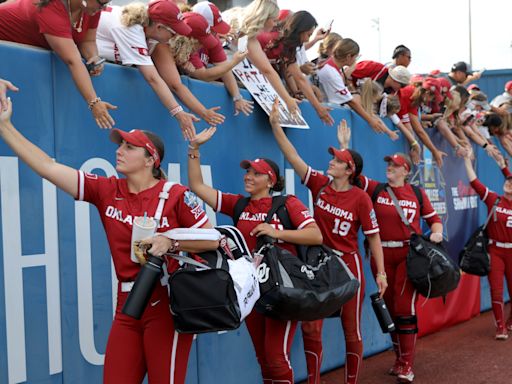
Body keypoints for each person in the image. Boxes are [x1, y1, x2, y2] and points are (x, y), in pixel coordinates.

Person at [0, 98, 219, 383]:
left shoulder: (175, 194)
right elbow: (47, 167)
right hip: (128, 305)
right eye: (120, 145)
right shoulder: (106, 189)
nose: (119, 150)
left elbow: (212, 239)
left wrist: (171, 242)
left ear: (151, 159)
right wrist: (5, 127)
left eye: (129, 147)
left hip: (166, 303)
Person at [187, 126, 323, 383]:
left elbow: (315, 236)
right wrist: (194, 149)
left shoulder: (287, 203)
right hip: (250, 288)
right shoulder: (238, 204)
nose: (248, 176)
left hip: (283, 290)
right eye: (247, 171)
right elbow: (196, 186)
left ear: (270, 180)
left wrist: (277, 232)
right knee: (263, 356)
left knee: (276, 355)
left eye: (255, 173)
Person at [269, 99, 387, 384]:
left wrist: (380, 272)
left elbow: (374, 238)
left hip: (347, 264)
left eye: (336, 160)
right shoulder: (319, 183)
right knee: (310, 327)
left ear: (349, 170)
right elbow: (294, 156)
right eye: (332, 158)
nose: (330, 162)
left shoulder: (360, 198)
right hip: (317, 263)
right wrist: (276, 126)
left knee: (351, 329)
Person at [338, 124, 443, 384]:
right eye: (389, 164)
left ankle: (407, 364)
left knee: (405, 307)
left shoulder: (416, 193)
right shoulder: (376, 189)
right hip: (381, 257)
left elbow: (434, 220)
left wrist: (437, 232)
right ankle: (399, 357)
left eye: (395, 165)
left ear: (405, 171)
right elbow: (350, 175)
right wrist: (344, 146)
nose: (390, 168)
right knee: (391, 308)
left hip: (409, 256)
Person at [0, 0, 117, 129]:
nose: (103, 8)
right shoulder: (50, 6)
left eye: (106, 3)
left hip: (20, 57)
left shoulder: (91, 9)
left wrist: (93, 56)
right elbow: (73, 61)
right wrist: (94, 102)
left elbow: (87, 41)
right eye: (101, 3)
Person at [96, 0, 199, 140]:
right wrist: (179, 113)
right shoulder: (132, 28)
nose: (172, 39)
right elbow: (152, 78)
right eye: (173, 34)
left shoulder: (146, 29)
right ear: (159, 27)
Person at [463, 150, 512, 340]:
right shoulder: (494, 199)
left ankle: (509, 321)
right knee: (496, 289)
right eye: (508, 181)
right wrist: (467, 160)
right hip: (495, 250)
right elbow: (475, 183)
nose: (509, 183)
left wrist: (503, 166)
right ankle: (500, 326)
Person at [257, 10, 334, 125]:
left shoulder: (288, 46)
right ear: (300, 30)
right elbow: (267, 71)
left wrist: (317, 107)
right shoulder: (277, 39)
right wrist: (288, 99)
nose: (307, 39)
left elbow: (298, 77)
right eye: (308, 34)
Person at [228, 0, 301, 117]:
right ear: (264, 17)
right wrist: (288, 99)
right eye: (274, 20)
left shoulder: (236, 16)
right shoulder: (248, 38)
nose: (275, 25)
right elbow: (267, 71)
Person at [316, 37, 395, 137]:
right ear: (349, 57)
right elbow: (351, 101)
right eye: (355, 58)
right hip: (325, 117)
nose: (355, 61)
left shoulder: (332, 68)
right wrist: (370, 121)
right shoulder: (331, 72)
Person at [188, 1, 255, 117]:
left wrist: (237, 97)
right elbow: (203, 75)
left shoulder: (213, 38)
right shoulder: (189, 38)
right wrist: (234, 62)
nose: (216, 33)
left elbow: (223, 68)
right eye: (213, 29)